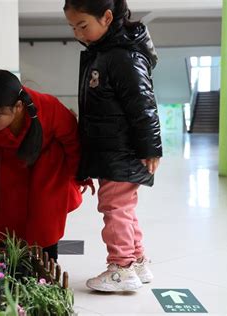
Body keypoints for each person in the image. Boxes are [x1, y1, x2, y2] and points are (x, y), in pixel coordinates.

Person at [64, 0, 163, 291]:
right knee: (125, 207)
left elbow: (143, 104)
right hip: (114, 147)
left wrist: (150, 146)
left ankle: (121, 267)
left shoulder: (122, 56)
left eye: (83, 25)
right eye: (72, 27)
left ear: (107, 17)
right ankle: (137, 261)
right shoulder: (104, 53)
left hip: (122, 149)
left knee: (115, 207)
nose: (78, 33)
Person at [0, 69, 89, 261]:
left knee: (44, 221)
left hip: (47, 168)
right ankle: (15, 264)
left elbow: (72, 142)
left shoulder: (49, 108)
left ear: (18, 106)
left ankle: (47, 261)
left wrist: (79, 174)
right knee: (8, 221)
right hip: (8, 170)